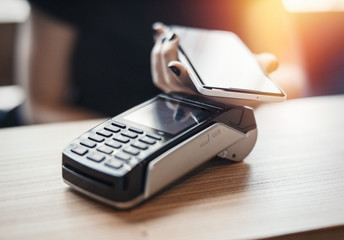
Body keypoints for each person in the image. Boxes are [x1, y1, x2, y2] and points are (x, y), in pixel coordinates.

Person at [16, 1, 293, 125]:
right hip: (88, 136)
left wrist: (241, 84)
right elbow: (41, 106)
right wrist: (147, 134)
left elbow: (292, 77)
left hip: (201, 144)